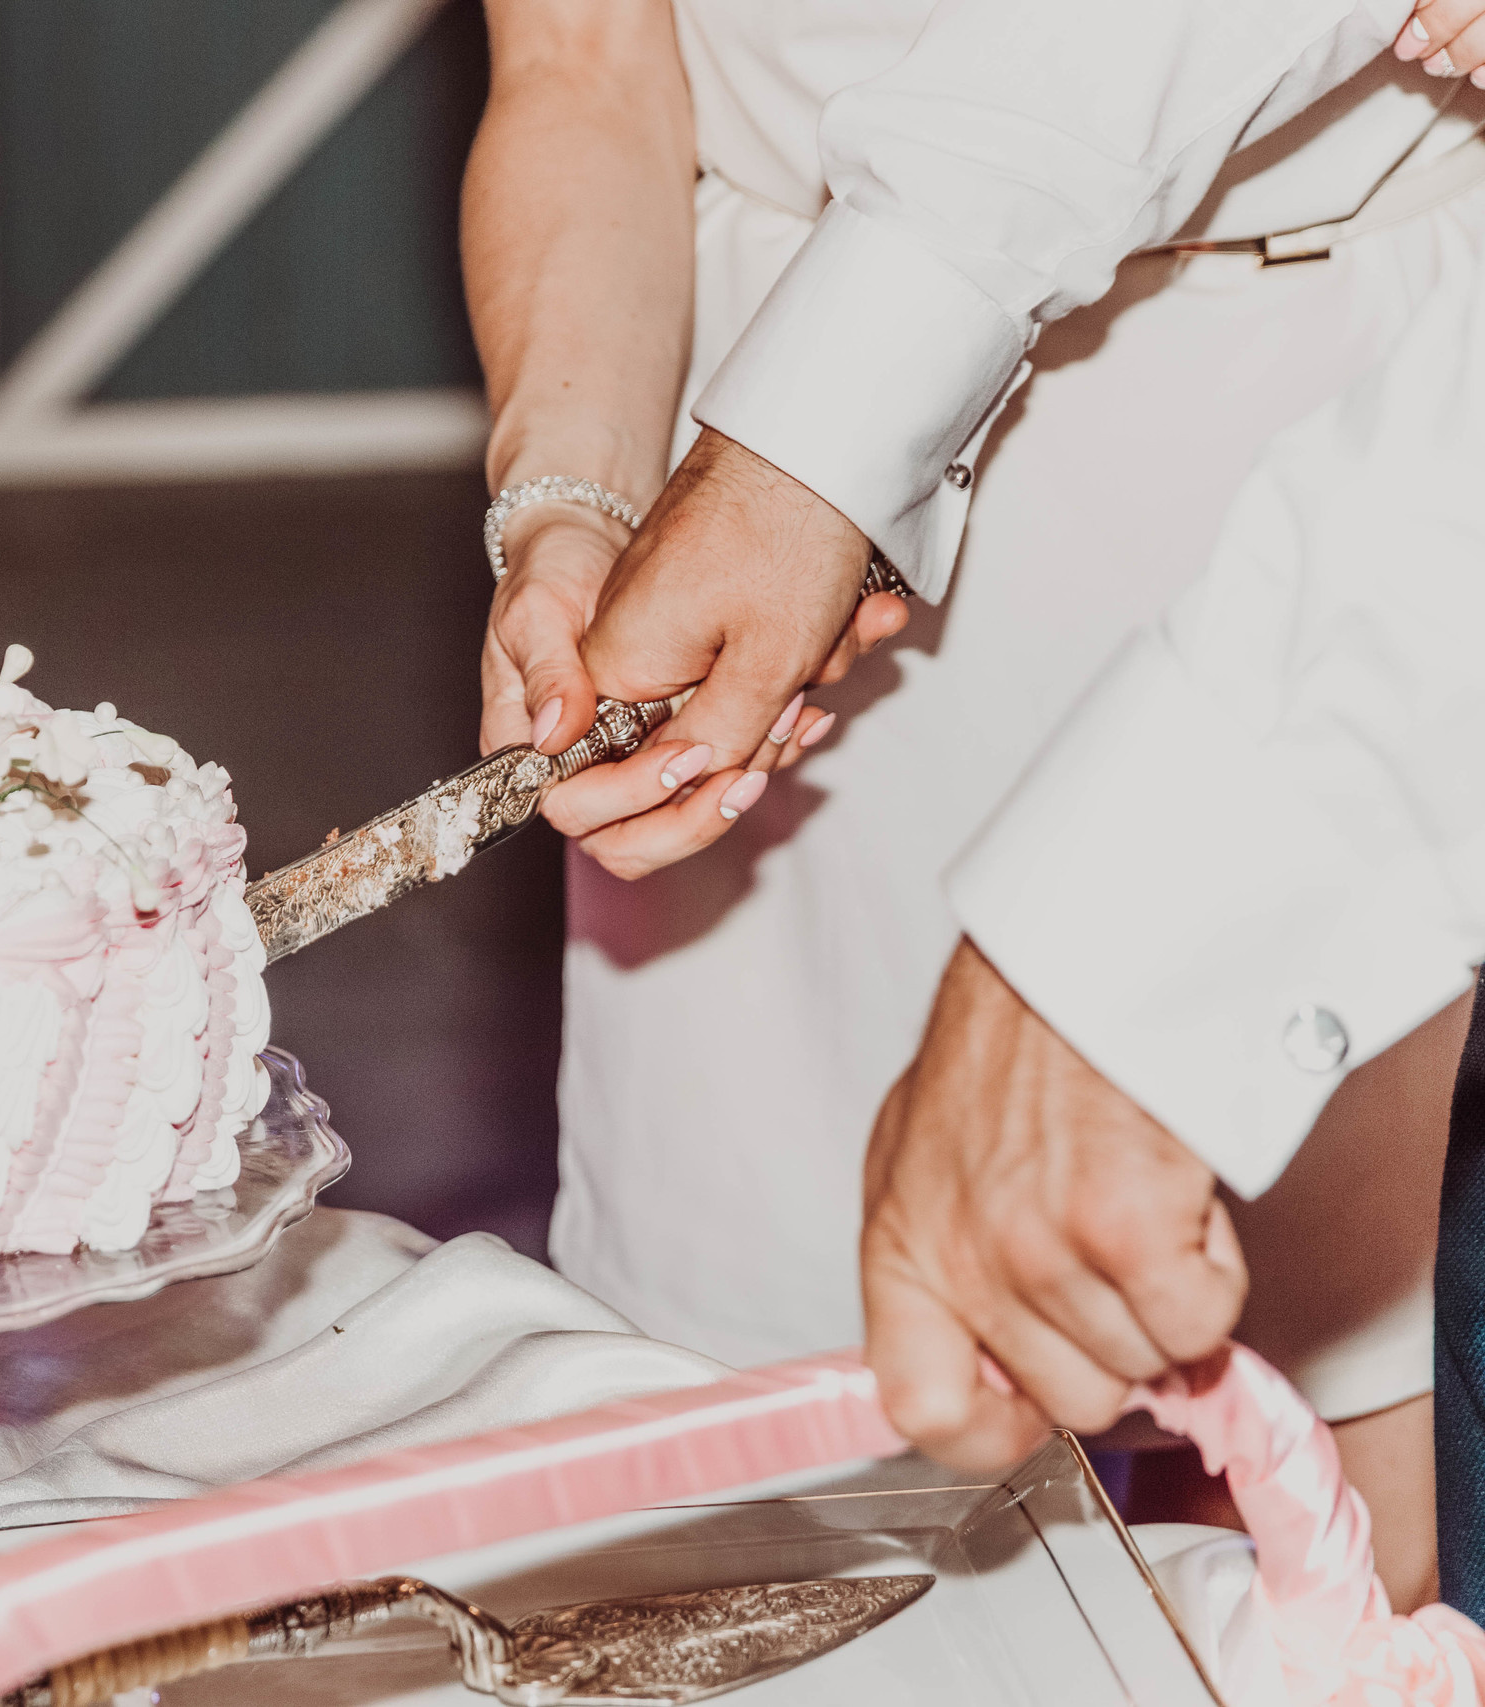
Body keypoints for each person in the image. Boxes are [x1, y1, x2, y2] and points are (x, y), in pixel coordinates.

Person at [469, 0, 1485, 1604]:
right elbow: (579, 67)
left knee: (1322, 1518)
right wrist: (570, 506)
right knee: (748, 1490)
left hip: (1316, 432)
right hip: (762, 462)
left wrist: (809, 446)